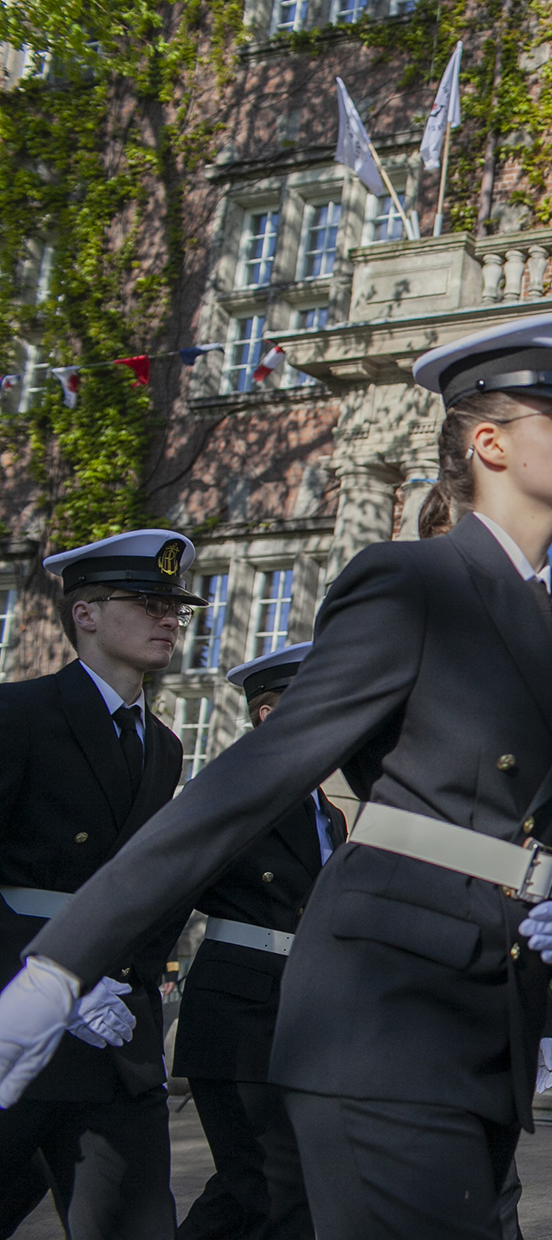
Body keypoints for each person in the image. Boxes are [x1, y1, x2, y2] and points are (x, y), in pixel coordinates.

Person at [0, 311, 552, 1239]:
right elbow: (246, 783)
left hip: (487, 1020)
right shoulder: (411, 582)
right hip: (383, 1018)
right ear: (490, 442)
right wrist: (59, 967)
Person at [0, 529, 205, 1239]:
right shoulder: (18, 715)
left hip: (116, 1035)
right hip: (17, 1019)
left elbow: (154, 887)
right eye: (148, 602)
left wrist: (125, 980)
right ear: (85, 613)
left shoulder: (164, 745)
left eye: (176, 607)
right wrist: (57, 973)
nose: (169, 619)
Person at [173, 643, 346, 1240]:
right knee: (277, 1191)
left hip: (299, 1019)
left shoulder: (328, 812)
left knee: (246, 1189)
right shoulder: (233, 791)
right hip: (237, 1016)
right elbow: (161, 891)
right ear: (269, 717)